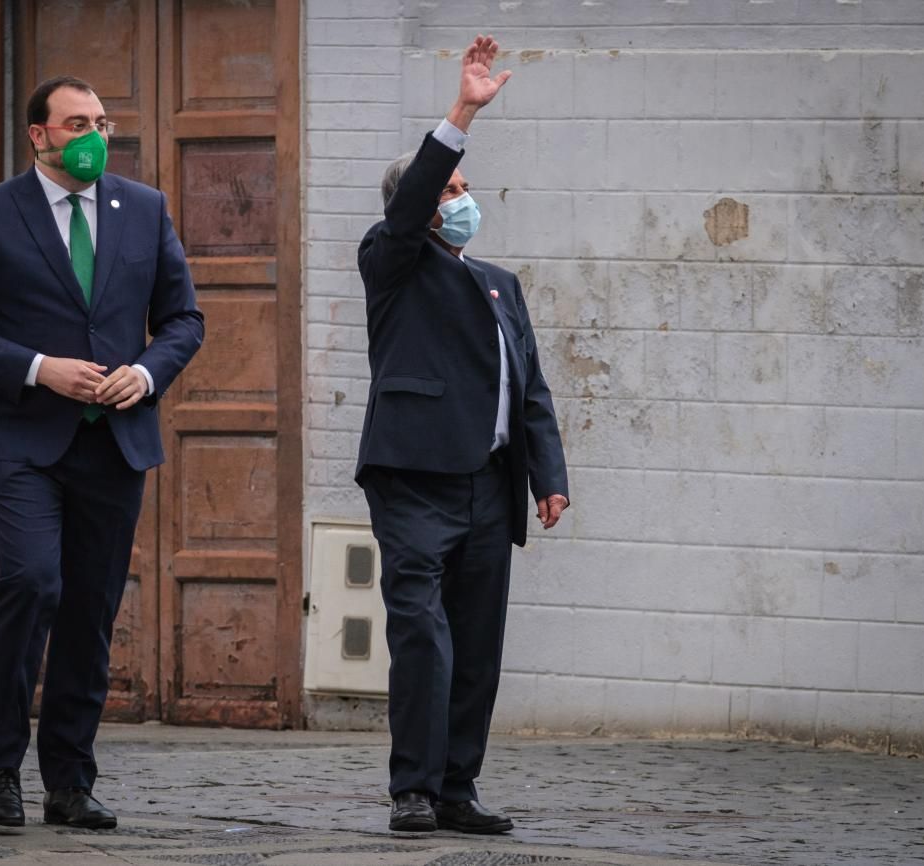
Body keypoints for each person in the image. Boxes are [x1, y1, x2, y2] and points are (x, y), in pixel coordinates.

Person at [0, 75, 203, 829]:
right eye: (77, 121)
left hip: (113, 443)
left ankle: (70, 781)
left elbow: (184, 319)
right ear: (38, 135)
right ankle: (1, 769)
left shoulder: (143, 210)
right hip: (19, 437)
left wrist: (145, 374)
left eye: (102, 121)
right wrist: (38, 367)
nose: (94, 134)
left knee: (89, 608)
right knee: (31, 580)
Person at [357, 36, 569, 834]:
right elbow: (412, 205)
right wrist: (461, 114)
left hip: (489, 484)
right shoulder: (392, 261)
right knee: (425, 636)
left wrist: (547, 476)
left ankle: (456, 789)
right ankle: (411, 787)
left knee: (477, 647)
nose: (461, 198)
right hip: (413, 480)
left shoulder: (499, 284)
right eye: (448, 188)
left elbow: (531, 389)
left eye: (465, 187)